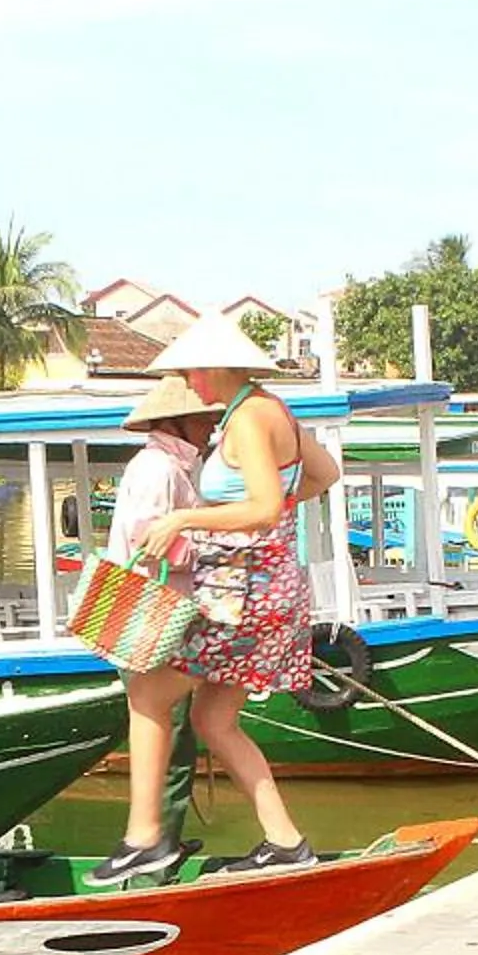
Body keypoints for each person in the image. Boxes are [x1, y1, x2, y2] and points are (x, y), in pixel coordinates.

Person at [93, 312, 339, 882]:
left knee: (147, 694)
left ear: (213, 367)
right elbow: (323, 474)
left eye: (190, 373)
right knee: (212, 718)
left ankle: (144, 838)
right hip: (271, 587)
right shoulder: (275, 410)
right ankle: (286, 842)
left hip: (241, 592)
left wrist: (186, 518)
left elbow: (263, 507)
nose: (188, 384)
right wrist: (261, 517)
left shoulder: (247, 419)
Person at [104, 375, 216, 861]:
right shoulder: (158, 468)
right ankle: (155, 853)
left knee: (176, 735)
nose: (211, 427)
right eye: (204, 418)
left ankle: (163, 839)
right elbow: (148, 542)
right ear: (179, 421)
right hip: (152, 618)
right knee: (169, 737)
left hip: (159, 617)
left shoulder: (173, 466)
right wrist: (215, 546)